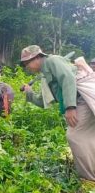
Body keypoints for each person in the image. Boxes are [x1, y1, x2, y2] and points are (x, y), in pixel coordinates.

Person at [21, 45, 95, 181]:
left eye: (27, 63)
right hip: (79, 101)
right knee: (88, 136)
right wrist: (29, 93)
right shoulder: (45, 74)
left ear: (37, 57)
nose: (27, 67)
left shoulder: (52, 60)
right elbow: (44, 101)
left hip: (81, 100)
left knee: (75, 136)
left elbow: (67, 78)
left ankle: (89, 179)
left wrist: (70, 107)